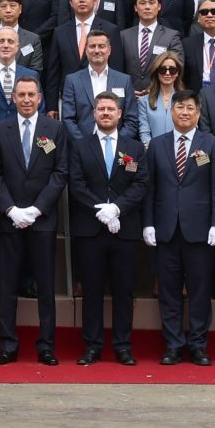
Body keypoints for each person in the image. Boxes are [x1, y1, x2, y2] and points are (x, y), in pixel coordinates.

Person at [143, 90, 215, 366]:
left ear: (198, 113)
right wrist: (148, 224)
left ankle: (199, 345)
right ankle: (173, 345)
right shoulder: (157, 145)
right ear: (172, 112)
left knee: (200, 291)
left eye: (190, 108)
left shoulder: (212, 144)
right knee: (168, 292)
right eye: (179, 108)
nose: (185, 113)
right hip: (166, 230)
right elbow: (149, 189)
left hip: (200, 231)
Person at [0, 76, 63, 366]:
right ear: (14, 99)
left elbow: (60, 173)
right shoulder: (0, 130)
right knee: (7, 286)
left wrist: (36, 209)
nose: (27, 99)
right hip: (9, 220)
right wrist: (11, 209)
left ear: (41, 98)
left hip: (42, 220)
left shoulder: (55, 129)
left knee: (45, 286)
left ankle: (46, 345)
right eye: (22, 95)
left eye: (32, 94)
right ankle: (8, 345)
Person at [68, 88, 147, 366]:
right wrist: (100, 210)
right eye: (100, 109)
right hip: (90, 230)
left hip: (124, 231)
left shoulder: (134, 147)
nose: (105, 113)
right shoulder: (79, 146)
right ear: (94, 114)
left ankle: (123, 346)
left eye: (110, 109)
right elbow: (76, 184)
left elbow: (140, 184)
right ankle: (92, 346)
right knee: (91, 290)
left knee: (124, 291)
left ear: (120, 114)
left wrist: (118, 208)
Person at [42, 0, 121, 114]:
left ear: (95, 0)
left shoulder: (111, 30)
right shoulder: (60, 32)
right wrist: (52, 106)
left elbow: (117, 68)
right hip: (68, 99)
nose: (82, 0)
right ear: (70, 2)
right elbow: (53, 72)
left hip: (103, 99)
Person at [61, 30, 142, 140]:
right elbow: (67, 119)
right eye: (92, 46)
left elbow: (132, 120)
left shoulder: (124, 80)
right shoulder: (72, 80)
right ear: (86, 50)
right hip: (81, 148)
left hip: (116, 147)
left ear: (109, 50)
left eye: (101, 46)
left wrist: (116, 143)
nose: (97, 50)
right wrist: (83, 145)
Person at [120, 0, 183, 92]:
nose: (147, 7)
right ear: (135, 7)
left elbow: (178, 66)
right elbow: (118, 69)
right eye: (142, 3)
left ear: (159, 6)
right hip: (130, 96)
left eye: (151, 3)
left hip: (159, 95)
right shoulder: (124, 36)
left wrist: (153, 90)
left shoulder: (172, 36)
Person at [139, 51, 185, 141]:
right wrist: (154, 152)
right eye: (162, 70)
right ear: (156, 72)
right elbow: (144, 133)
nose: (167, 73)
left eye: (172, 70)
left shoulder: (186, 100)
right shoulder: (144, 101)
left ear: (177, 73)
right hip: (153, 152)